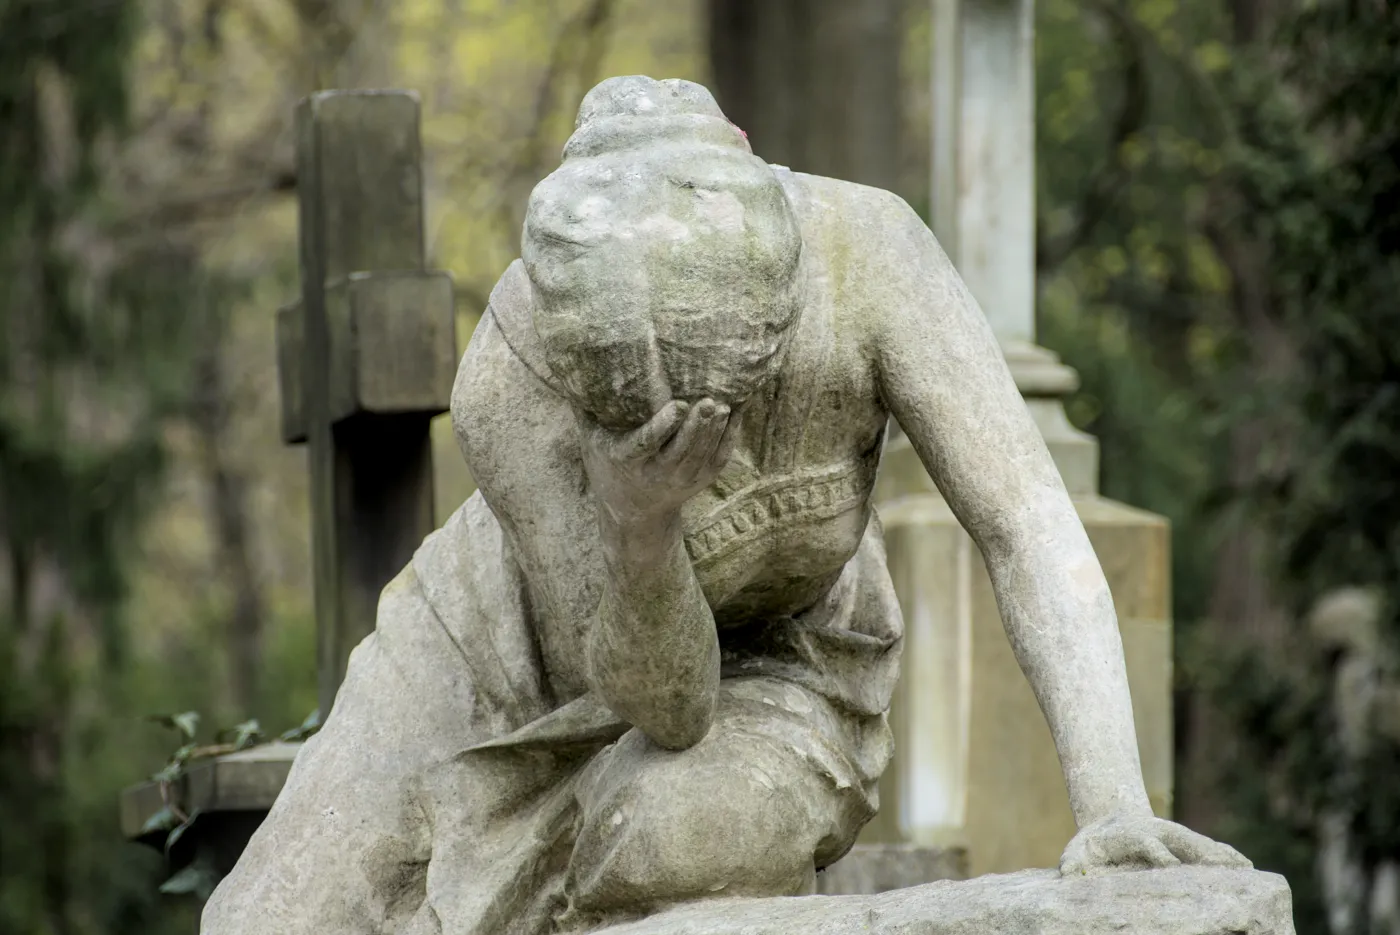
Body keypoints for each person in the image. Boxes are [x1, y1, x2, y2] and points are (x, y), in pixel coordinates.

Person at [202, 76, 1248, 935]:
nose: (709, 436)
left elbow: (1024, 522)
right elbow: (660, 697)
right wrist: (642, 527)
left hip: (772, 674)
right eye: (631, 407)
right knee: (267, 918)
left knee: (667, 835)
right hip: (494, 653)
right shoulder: (508, 378)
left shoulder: (867, 257)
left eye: (730, 392)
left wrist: (1112, 802)